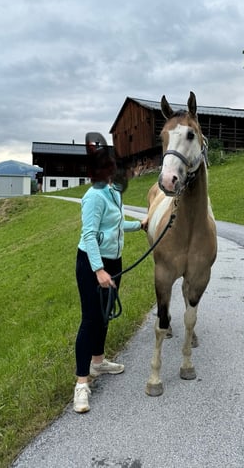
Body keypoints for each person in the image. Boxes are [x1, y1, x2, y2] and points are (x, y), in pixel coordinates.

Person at [73, 132, 148, 414]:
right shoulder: (93, 197)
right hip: (93, 265)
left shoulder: (113, 193)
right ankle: (82, 384)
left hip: (113, 263)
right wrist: (99, 270)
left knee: (104, 317)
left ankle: (98, 362)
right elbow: (90, 235)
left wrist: (139, 225)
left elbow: (113, 227)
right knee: (90, 320)